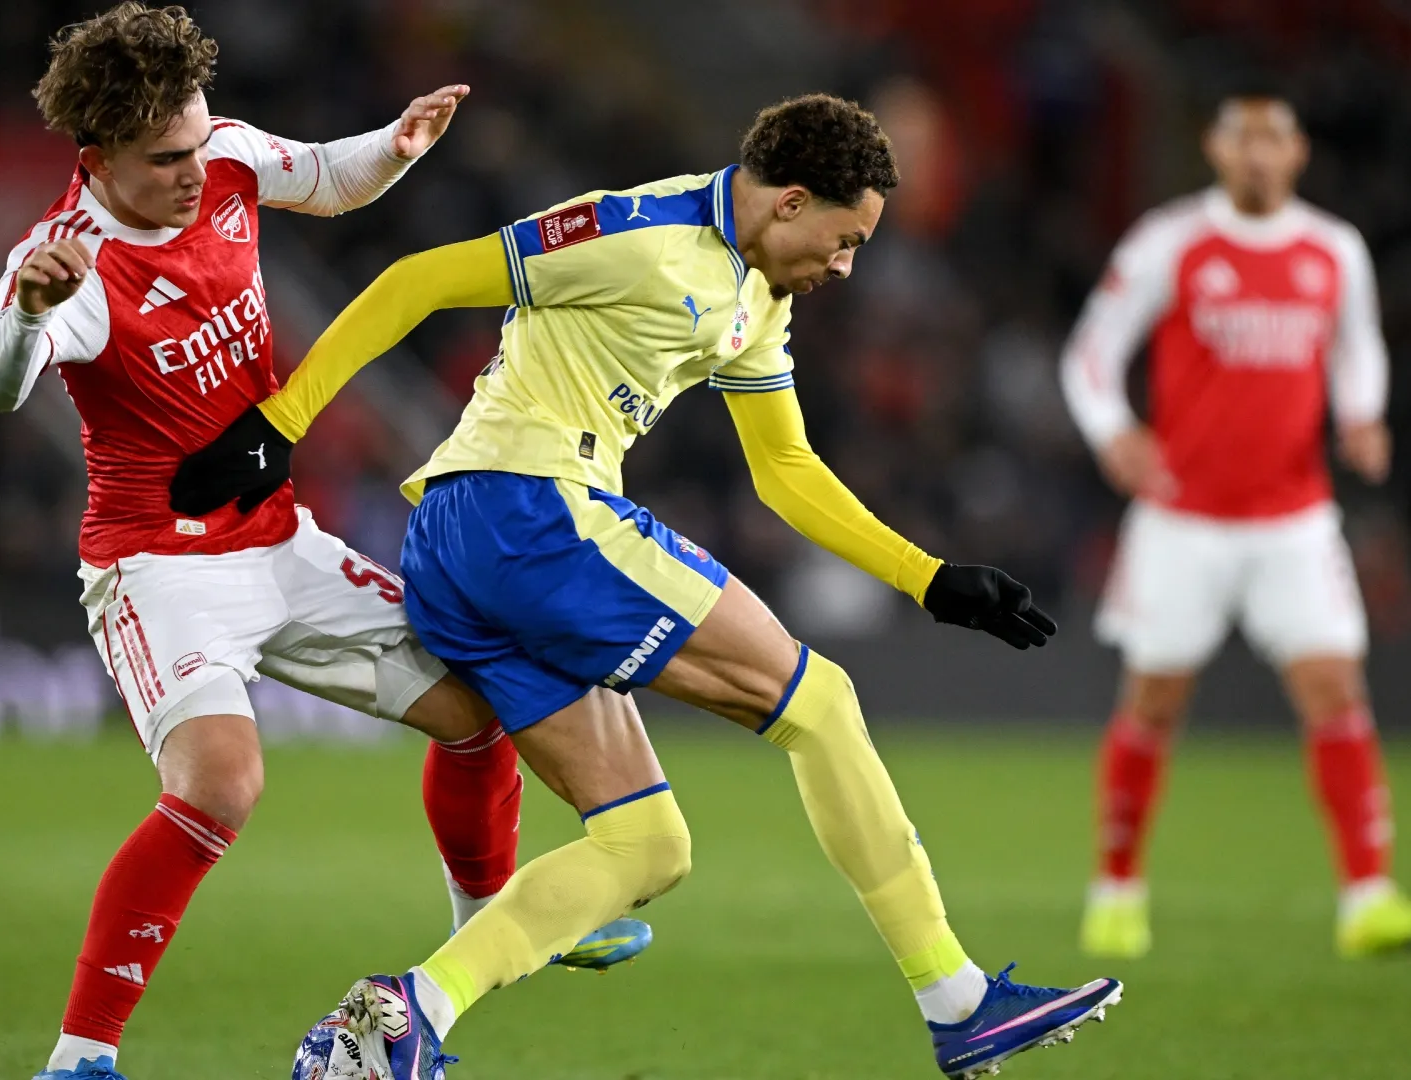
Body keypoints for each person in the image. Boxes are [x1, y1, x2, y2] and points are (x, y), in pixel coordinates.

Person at [172, 93, 1122, 1080]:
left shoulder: (760, 298)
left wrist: (927, 578)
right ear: (792, 203)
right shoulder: (638, 233)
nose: (845, 267)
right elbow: (420, 279)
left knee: (645, 843)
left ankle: (405, 1016)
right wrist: (282, 423)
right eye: (846, 241)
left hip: (472, 544)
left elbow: (784, 469)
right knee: (823, 704)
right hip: (527, 510)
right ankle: (957, 1002)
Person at [0, 7, 645, 1079]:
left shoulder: (228, 157)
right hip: (161, 569)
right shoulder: (68, 263)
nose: (195, 171)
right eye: (165, 159)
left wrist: (396, 146)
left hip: (278, 539)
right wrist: (23, 316)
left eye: (198, 142)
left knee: (480, 702)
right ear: (96, 160)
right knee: (221, 784)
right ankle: (79, 1058)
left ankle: (489, 926)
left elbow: (328, 178)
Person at [1059, 85, 1411, 960]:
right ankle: (1116, 891)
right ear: (1216, 149)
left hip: (1293, 519)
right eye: (1242, 138)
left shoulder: (1334, 249)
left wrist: (1362, 413)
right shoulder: (1171, 241)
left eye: (1273, 138)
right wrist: (1113, 430)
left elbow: (1359, 344)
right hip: (1182, 519)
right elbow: (1092, 349)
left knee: (1336, 688)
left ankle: (1368, 899)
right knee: (1154, 701)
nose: (1258, 153)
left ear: (1298, 151)